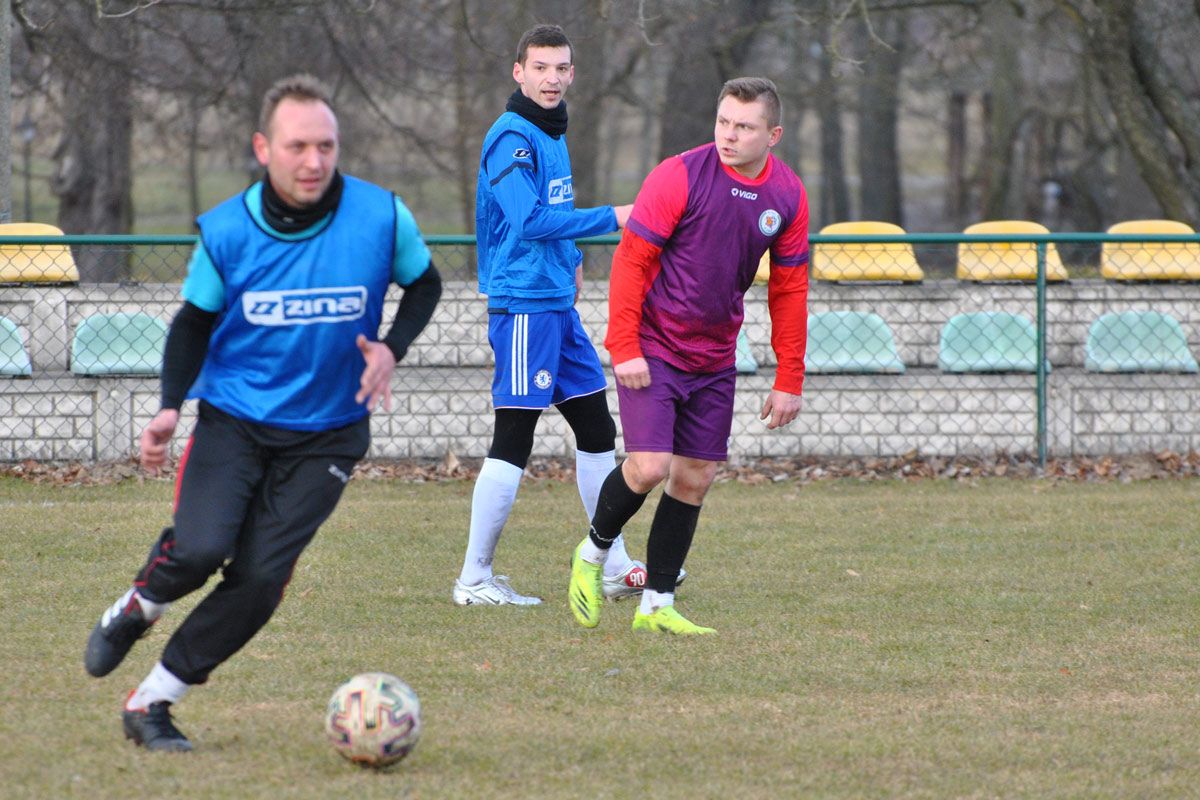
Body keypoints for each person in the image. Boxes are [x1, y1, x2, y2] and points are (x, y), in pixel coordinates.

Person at [82, 74, 442, 751]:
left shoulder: (381, 216)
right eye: (297, 146)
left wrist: (391, 347)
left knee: (260, 579)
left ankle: (151, 703)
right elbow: (193, 322)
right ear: (263, 148)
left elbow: (425, 283)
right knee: (201, 549)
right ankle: (141, 603)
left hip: (330, 432)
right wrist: (168, 408)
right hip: (236, 421)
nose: (313, 161)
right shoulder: (227, 231)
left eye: (326, 146)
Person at [567, 77, 810, 635]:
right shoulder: (678, 175)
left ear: (772, 135)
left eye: (744, 126)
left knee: (694, 477)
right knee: (650, 467)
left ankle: (657, 606)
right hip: (654, 346)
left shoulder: (789, 195)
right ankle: (592, 553)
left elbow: (790, 289)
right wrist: (624, 346)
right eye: (723, 122)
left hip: (716, 355)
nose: (729, 135)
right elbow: (631, 261)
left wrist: (789, 377)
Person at [454, 23, 650, 606]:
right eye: (540, 67)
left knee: (597, 430)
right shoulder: (510, 137)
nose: (552, 78)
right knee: (514, 436)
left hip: (556, 304)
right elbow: (530, 220)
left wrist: (574, 259)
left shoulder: (551, 129)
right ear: (519, 72)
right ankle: (474, 579)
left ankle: (612, 565)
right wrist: (614, 217)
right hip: (523, 305)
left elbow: (555, 210)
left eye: (561, 68)